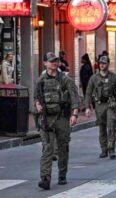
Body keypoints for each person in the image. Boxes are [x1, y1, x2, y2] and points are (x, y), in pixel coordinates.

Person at [34, 52, 79, 190]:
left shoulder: (64, 79)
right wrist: (37, 104)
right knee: (47, 149)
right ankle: (45, 179)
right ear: (45, 63)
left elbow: (74, 96)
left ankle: (62, 175)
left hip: (61, 118)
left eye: (56, 61)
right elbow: (36, 97)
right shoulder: (40, 80)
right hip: (47, 119)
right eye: (51, 61)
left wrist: (75, 114)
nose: (54, 63)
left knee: (62, 148)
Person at [85, 55, 116, 159]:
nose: (102, 65)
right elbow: (88, 93)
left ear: (108, 64)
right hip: (99, 106)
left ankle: (111, 149)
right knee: (102, 128)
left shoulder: (114, 77)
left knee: (111, 127)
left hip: (111, 105)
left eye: (104, 63)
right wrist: (87, 107)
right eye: (100, 63)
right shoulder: (94, 78)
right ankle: (104, 149)